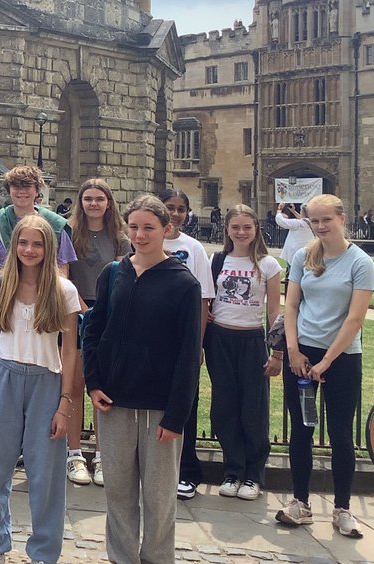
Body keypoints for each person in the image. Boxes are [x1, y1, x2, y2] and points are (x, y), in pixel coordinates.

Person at [82, 195, 201, 564]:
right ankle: (122, 558)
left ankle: (156, 558)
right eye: (134, 227)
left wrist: (177, 415)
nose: (140, 234)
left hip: (159, 407)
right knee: (118, 492)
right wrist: (93, 382)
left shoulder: (184, 284)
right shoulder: (113, 273)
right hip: (114, 400)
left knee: (159, 496)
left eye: (148, 227)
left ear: (166, 230)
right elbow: (93, 330)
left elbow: (188, 354)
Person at [0, 214, 80, 564]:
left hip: (46, 382)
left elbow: (68, 350)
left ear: (48, 248)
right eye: (23, 243)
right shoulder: (1, 284)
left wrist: (65, 404)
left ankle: (44, 552)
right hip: (1, 376)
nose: (29, 250)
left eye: (37, 244)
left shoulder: (63, 290)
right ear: (14, 245)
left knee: (45, 474)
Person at [276, 194, 374, 538]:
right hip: (303, 353)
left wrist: (327, 361)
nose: (320, 226)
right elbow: (290, 306)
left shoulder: (360, 262)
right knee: (301, 431)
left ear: (342, 218)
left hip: (342, 357)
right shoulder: (305, 256)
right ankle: (300, 502)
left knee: (340, 434)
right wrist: (292, 350)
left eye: (326, 220)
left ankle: (343, 508)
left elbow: (355, 319)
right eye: (314, 221)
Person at [208, 204, 282, 501]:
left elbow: (275, 312)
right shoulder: (217, 260)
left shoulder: (268, 265)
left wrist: (276, 352)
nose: (241, 232)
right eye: (235, 227)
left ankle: (253, 474)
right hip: (220, 339)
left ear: (256, 230)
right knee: (225, 407)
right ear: (227, 229)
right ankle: (232, 470)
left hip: (252, 341)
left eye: (247, 227)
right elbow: (206, 299)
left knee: (253, 409)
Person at [64, 178, 131, 486]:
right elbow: (62, 274)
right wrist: (80, 308)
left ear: (108, 202)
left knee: (104, 389)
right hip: (74, 313)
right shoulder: (69, 232)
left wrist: (100, 310)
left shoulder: (120, 237)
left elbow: (121, 276)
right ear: (81, 202)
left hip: (109, 313)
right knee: (75, 386)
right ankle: (75, 454)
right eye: (88, 198)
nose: (93, 204)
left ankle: (104, 456)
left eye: (99, 199)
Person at [159, 188, 216, 500]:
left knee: (185, 405)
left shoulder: (193, 249)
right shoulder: (145, 239)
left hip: (183, 338)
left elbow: (204, 299)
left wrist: (198, 343)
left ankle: (187, 471)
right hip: (152, 339)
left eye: (181, 208)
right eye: (170, 207)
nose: (175, 213)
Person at [0, 166, 76, 327]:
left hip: (42, 301)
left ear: (37, 191)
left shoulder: (55, 224)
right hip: (3, 301)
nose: (21, 191)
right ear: (8, 190)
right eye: (15, 186)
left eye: (26, 186)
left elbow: (62, 270)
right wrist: (12, 278)